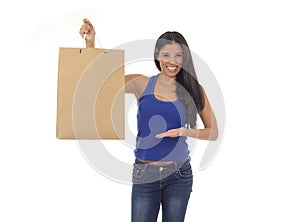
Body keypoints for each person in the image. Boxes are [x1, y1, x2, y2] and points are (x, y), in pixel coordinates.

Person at [79, 18, 218, 222]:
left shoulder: (193, 89)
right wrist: (90, 44)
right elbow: (102, 83)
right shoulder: (141, 83)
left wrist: (183, 131)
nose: (172, 61)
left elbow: (213, 132)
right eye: (166, 55)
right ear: (157, 56)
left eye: (178, 55)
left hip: (179, 175)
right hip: (145, 175)